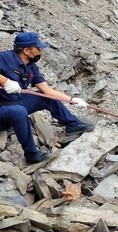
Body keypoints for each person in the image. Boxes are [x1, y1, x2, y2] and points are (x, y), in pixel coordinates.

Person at [0, 32, 94, 164]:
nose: (40, 51)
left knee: (46, 96)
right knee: (19, 111)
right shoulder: (4, 58)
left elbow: (46, 89)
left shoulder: (31, 67)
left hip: (16, 102)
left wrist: (72, 99)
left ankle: (72, 124)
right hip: (3, 110)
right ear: (27, 50)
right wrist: (5, 82)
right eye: (37, 48)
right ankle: (31, 154)